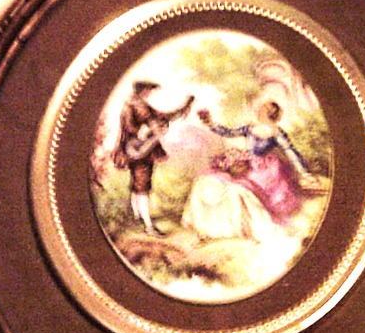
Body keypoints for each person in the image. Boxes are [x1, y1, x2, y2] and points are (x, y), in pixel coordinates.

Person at [182, 101, 322, 241]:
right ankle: (222, 225)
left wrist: (305, 173)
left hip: (267, 169)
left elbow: (290, 151)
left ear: (269, 113)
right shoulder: (251, 128)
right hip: (249, 164)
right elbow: (229, 133)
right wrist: (211, 124)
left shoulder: (276, 132)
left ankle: (250, 223)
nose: (258, 110)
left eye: (262, 109)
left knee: (245, 191)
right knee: (224, 186)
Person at [112, 81, 193, 235]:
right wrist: (149, 129)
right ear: (142, 91)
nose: (150, 93)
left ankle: (137, 217)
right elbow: (135, 128)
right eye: (149, 90)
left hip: (138, 150)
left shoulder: (137, 106)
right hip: (138, 150)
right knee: (142, 185)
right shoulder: (135, 107)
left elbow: (162, 118)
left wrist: (183, 108)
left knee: (138, 183)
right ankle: (148, 226)